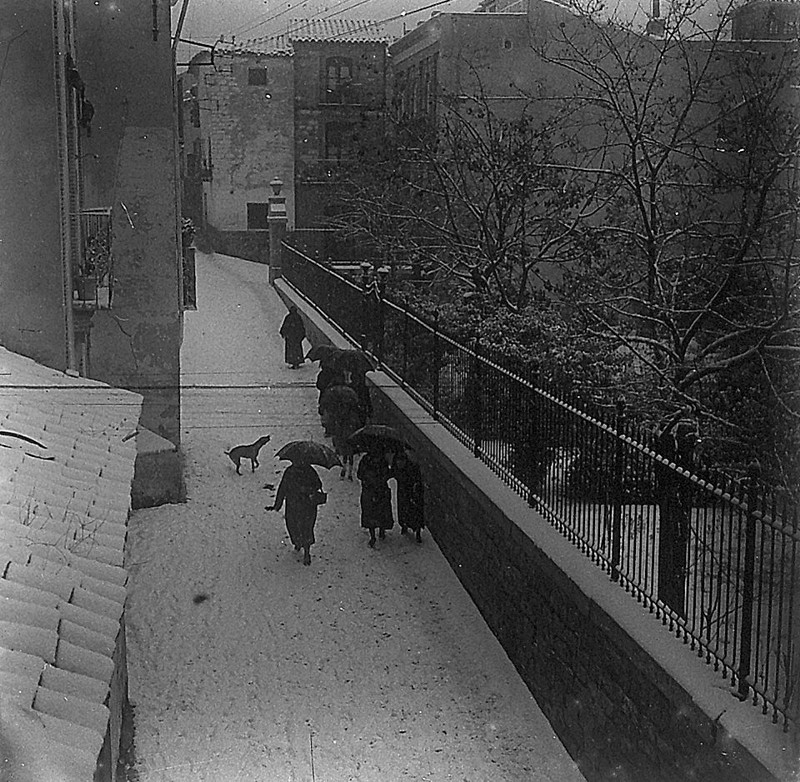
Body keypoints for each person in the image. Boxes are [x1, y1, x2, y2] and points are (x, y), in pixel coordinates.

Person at [266, 462, 324, 566]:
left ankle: (299, 544)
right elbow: (318, 485)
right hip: (307, 506)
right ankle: (305, 550)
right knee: (306, 528)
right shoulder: (310, 471)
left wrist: (277, 505)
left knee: (295, 526)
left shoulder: (290, 471)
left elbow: (282, 488)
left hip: (295, 505)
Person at [357, 447, 394, 547]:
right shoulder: (382, 461)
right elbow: (387, 474)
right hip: (379, 490)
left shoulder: (365, 460)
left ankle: (373, 535)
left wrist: (368, 478)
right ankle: (380, 530)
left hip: (370, 490)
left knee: (370, 513)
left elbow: (359, 475)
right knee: (380, 512)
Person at [391, 449, 425, 542]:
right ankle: (405, 525)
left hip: (412, 492)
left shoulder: (412, 468)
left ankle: (416, 530)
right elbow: (393, 473)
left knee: (414, 511)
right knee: (403, 510)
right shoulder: (400, 467)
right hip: (403, 491)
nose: (399, 463)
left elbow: (416, 479)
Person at [279, 305, 306, 369]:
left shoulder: (288, 317)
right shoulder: (298, 317)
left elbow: (285, 326)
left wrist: (283, 333)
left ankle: (293, 361)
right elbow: (301, 327)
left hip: (290, 337)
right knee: (297, 349)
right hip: (296, 337)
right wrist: (301, 335)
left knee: (291, 350)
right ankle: (297, 361)